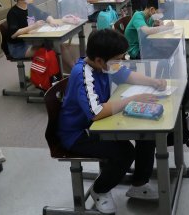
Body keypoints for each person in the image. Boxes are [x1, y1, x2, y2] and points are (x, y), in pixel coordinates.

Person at [58, 29, 164, 214]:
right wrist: (133, 99)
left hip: (98, 127)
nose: (121, 62)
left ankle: (139, 183)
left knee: (146, 134)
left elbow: (127, 75)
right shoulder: (83, 74)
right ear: (99, 60)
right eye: (118, 59)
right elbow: (96, 113)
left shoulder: (104, 64)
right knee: (124, 153)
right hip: (77, 135)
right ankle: (99, 190)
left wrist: (153, 81)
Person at [124, 0, 189, 88]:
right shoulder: (138, 15)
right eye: (160, 13)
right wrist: (165, 27)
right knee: (170, 55)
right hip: (137, 51)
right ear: (152, 10)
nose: (161, 15)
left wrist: (158, 24)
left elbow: (151, 30)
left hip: (146, 46)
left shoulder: (149, 17)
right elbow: (146, 31)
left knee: (173, 51)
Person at [5, 0, 75, 68]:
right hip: (19, 48)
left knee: (59, 45)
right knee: (53, 48)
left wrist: (51, 20)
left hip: (32, 41)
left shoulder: (29, 6)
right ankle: (53, 75)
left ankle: (74, 68)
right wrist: (33, 26)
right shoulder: (13, 13)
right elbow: (13, 34)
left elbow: (44, 14)